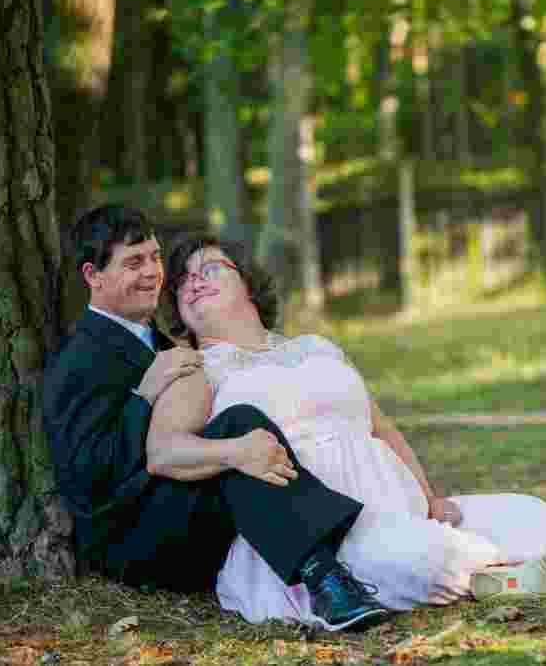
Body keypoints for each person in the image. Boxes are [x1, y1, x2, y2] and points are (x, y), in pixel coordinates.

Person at [153, 231, 546, 625]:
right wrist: (237, 451)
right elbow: (167, 451)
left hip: (399, 506)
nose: (193, 283)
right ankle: (505, 577)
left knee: (530, 514)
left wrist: (429, 497)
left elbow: (383, 429)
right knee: (425, 559)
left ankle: (521, 572)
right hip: (323, 534)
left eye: (209, 270)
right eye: (181, 283)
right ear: (178, 310)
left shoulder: (315, 348)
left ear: (248, 281)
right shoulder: (197, 367)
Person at [42, 204, 390, 632]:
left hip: (185, 504)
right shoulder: (80, 358)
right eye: (133, 263)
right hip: (132, 536)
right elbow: (86, 477)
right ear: (93, 275)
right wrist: (143, 396)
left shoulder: (159, 340)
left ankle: (331, 568)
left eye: (153, 257)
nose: (152, 272)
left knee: (241, 434)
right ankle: (327, 578)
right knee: (239, 427)